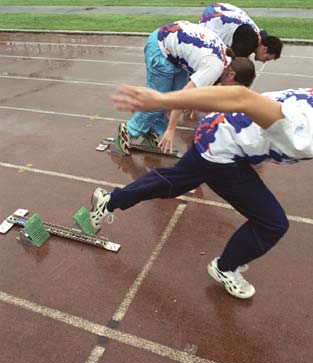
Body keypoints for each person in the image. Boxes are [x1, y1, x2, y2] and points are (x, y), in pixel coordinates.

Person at [82, 85, 312, 300]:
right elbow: (241, 97)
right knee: (271, 223)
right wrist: (162, 100)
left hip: (215, 130)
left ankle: (109, 201)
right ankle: (225, 268)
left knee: (174, 182)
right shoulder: (304, 134)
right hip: (222, 150)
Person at [114, 20, 255, 156]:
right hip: (160, 47)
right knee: (159, 99)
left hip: (175, 50)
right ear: (231, 74)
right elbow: (183, 98)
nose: (233, 90)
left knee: (172, 99)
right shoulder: (215, 67)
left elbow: (195, 90)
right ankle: (128, 131)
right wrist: (171, 129)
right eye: (236, 86)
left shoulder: (226, 59)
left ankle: (153, 131)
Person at [199, 3, 283, 62]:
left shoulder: (259, 35)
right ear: (265, 49)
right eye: (267, 58)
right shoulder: (249, 42)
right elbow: (232, 66)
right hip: (211, 21)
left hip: (216, 8)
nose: (264, 62)